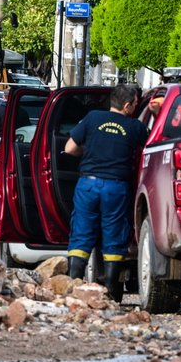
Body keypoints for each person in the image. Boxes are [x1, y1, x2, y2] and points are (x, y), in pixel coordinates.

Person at [62, 84, 148, 299]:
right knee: (113, 235)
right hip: (115, 187)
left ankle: (74, 289)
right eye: (136, 105)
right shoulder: (135, 126)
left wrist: (90, 152)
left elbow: (69, 148)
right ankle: (110, 292)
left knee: (81, 234)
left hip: (88, 185)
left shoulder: (92, 118)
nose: (136, 109)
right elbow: (150, 150)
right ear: (127, 106)